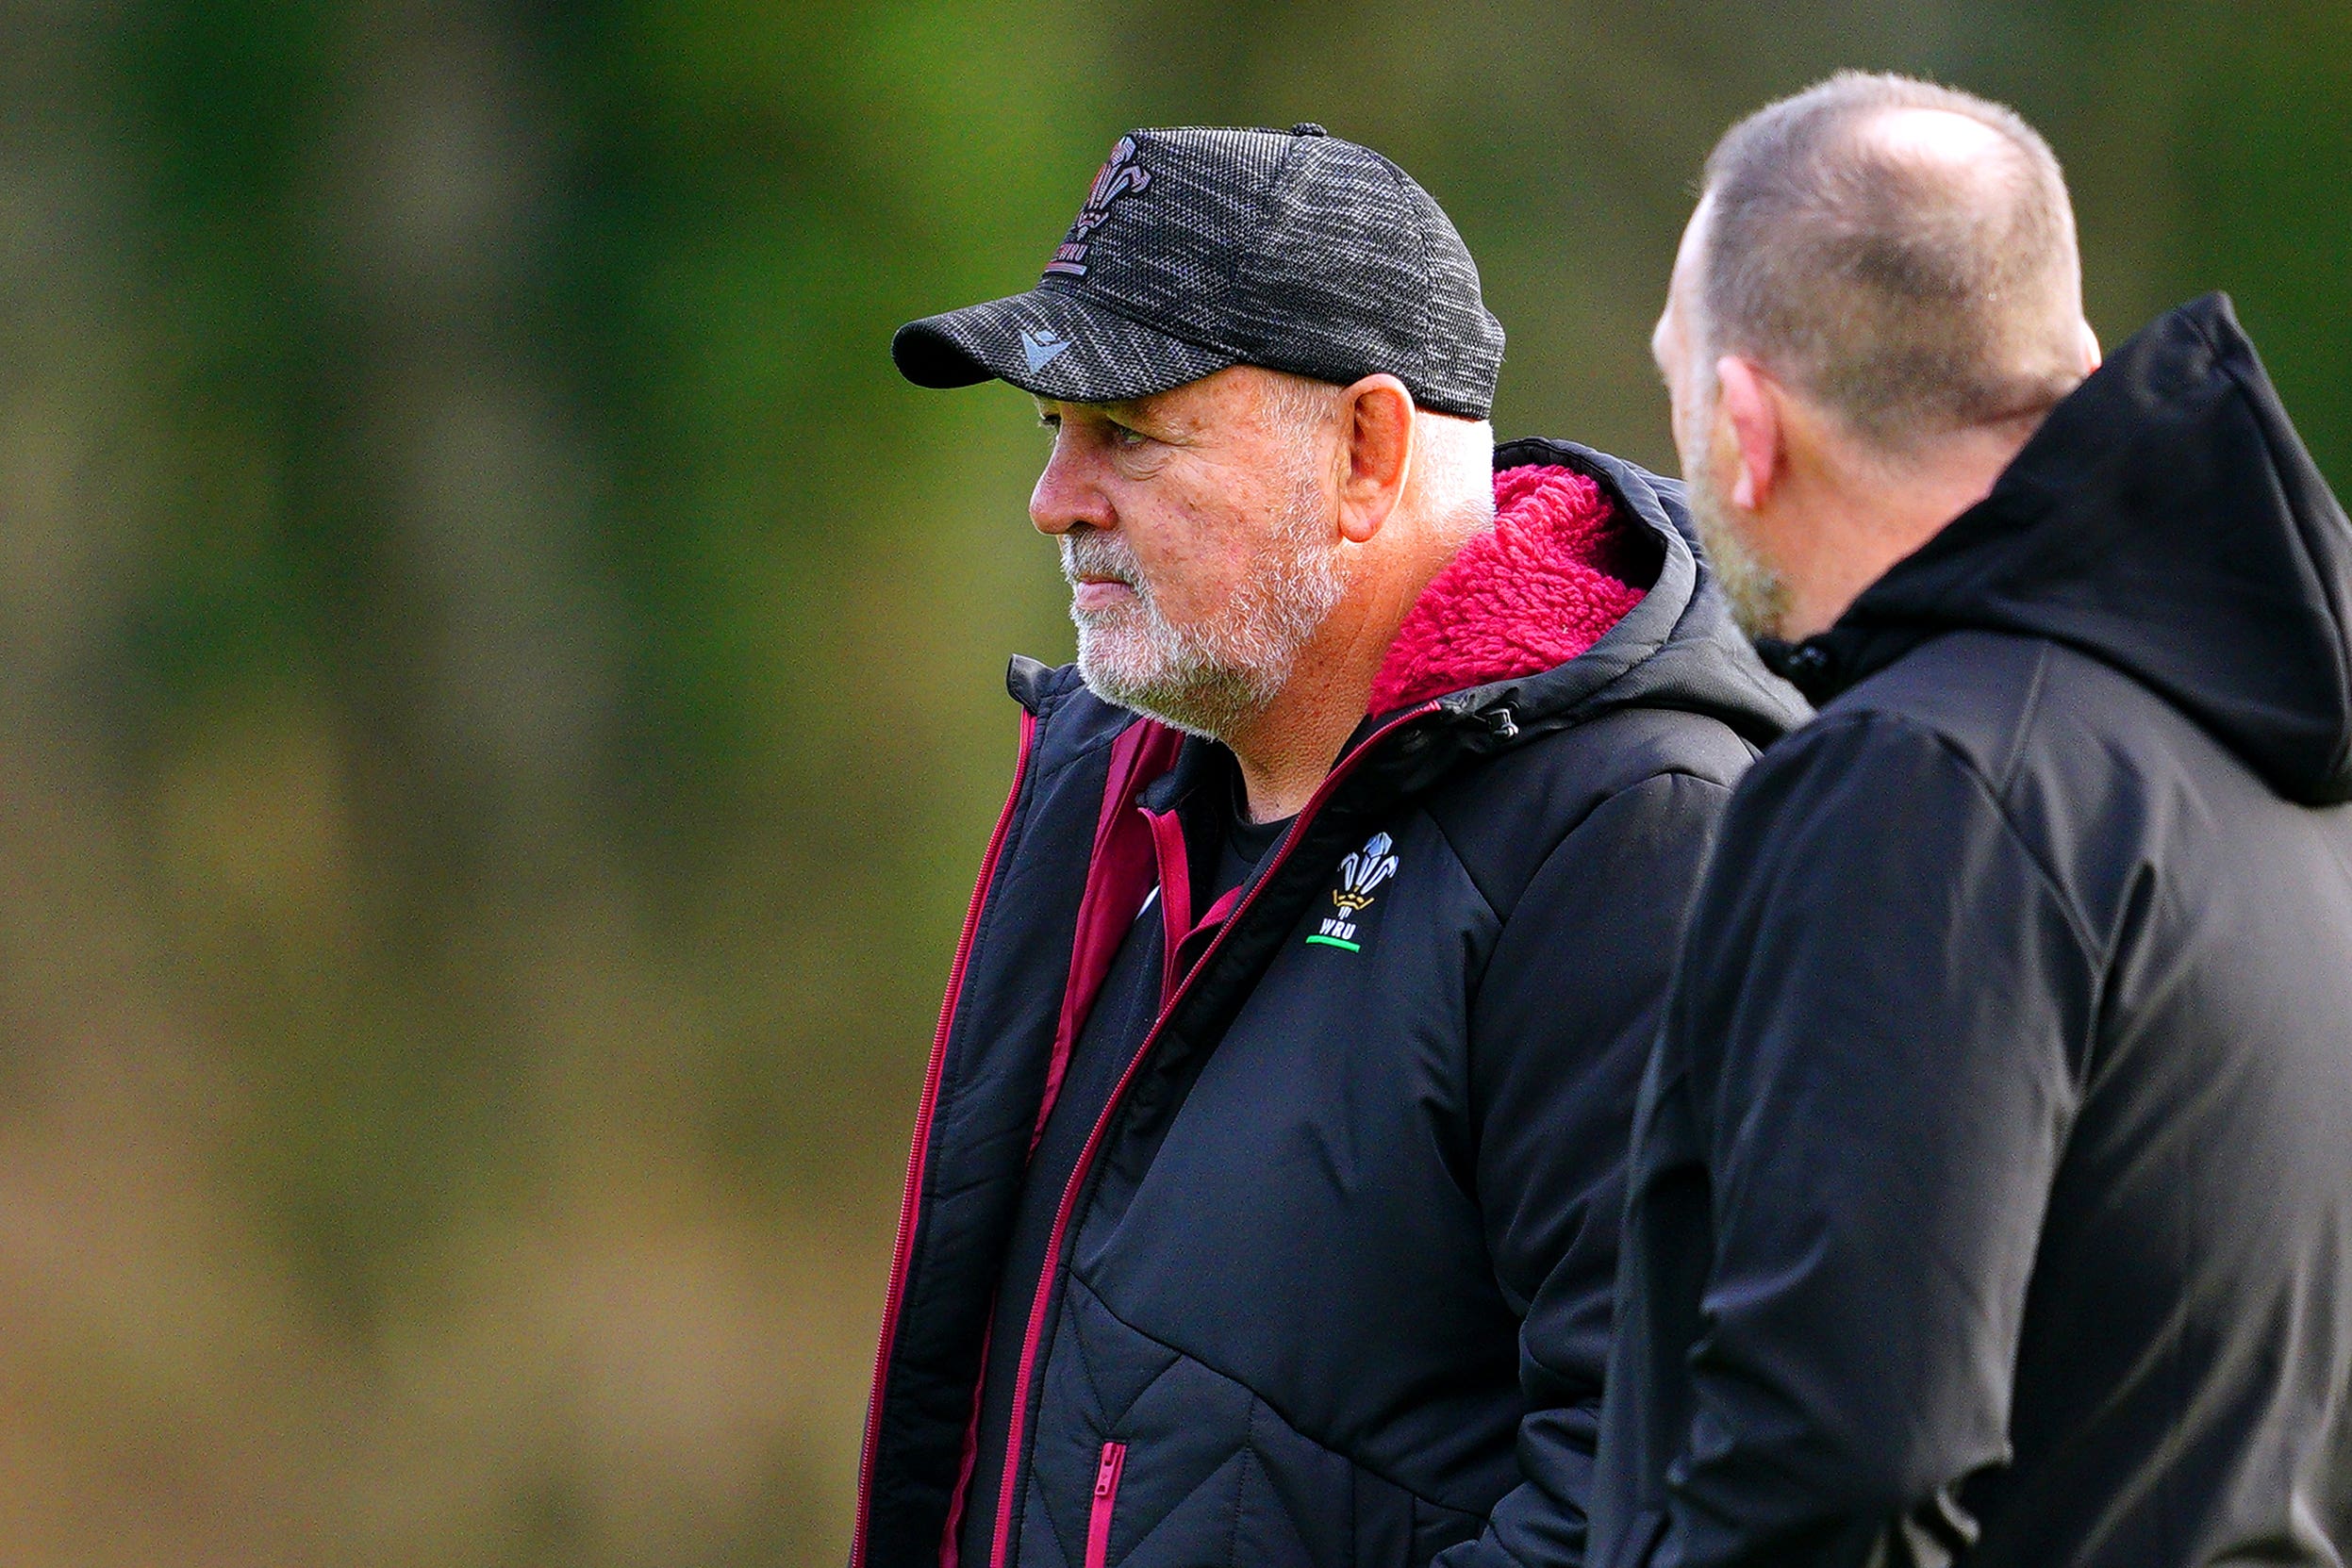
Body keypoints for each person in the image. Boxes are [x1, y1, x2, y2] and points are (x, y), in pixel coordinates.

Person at [852, 124, 1802, 1568]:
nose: (1056, 500)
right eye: (1051, 431)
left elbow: (1662, 1503)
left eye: (1128, 430)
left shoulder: (1632, 837)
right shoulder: (1114, 788)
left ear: (1365, 450)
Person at [1591, 72, 2352, 1568]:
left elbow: (1839, 1469)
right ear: (2062, 357)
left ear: (1742, 427)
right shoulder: (2269, 752)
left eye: (1677, 384)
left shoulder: (1926, 786)